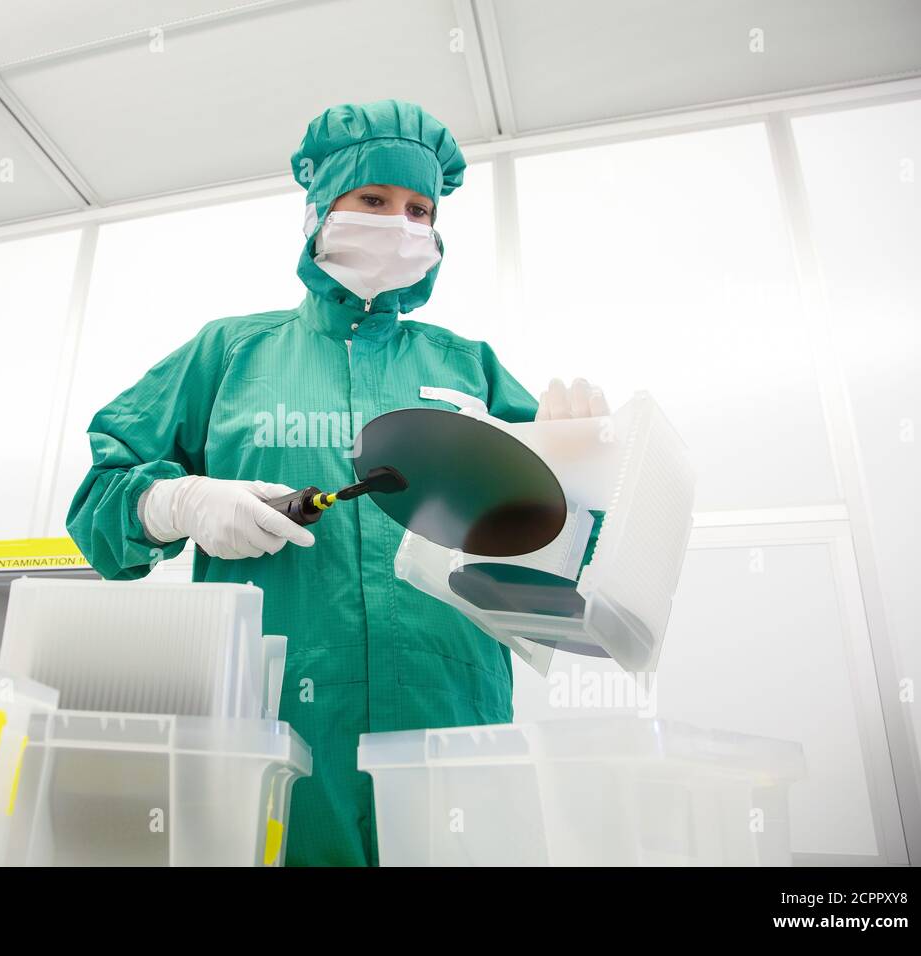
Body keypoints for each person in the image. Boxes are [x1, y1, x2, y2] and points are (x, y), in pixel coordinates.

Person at [67, 100, 607, 866]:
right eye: (375, 201)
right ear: (322, 210)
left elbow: (564, 574)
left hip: (450, 721)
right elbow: (99, 498)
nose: (402, 224)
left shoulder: (469, 368)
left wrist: (582, 475)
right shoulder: (230, 354)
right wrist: (179, 501)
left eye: (421, 209)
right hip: (276, 726)